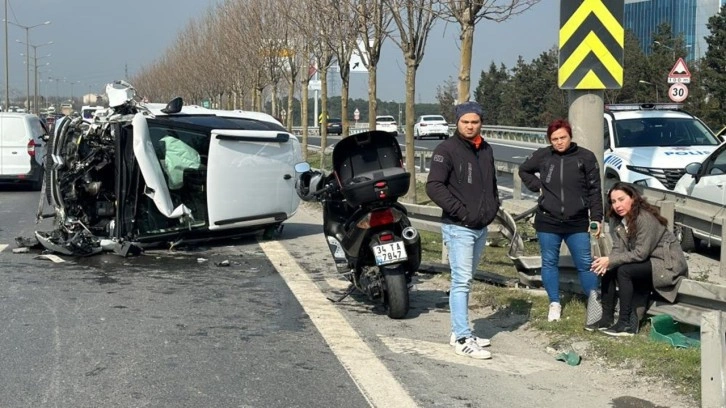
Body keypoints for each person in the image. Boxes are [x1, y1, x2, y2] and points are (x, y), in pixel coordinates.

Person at [426, 101, 499, 360]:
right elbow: (434, 186)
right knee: (461, 281)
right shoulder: (446, 149)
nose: (470, 126)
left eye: (475, 122)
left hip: (480, 226)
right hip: (459, 227)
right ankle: (462, 338)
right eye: (465, 121)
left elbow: (491, 184)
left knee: (467, 280)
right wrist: (462, 212)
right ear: (457, 122)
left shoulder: (486, 149)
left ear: (481, 123)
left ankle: (460, 330)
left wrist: (493, 208)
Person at [518, 119, 603, 324]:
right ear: (550, 140)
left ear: (570, 136)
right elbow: (524, 170)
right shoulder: (543, 155)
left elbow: (594, 190)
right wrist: (538, 186)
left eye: (563, 137)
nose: (559, 142)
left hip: (578, 221)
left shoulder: (586, 157)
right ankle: (554, 303)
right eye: (554, 139)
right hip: (548, 220)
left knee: (585, 263)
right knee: (549, 263)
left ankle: (594, 301)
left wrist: (597, 218)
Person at [591, 182, 688, 336]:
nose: (617, 205)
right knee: (609, 269)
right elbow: (618, 249)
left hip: (665, 264)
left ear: (633, 198)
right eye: (614, 201)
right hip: (647, 261)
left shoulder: (645, 218)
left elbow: (641, 253)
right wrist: (606, 261)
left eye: (621, 199)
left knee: (624, 271)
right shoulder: (618, 220)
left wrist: (611, 260)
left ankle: (625, 324)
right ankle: (606, 318)